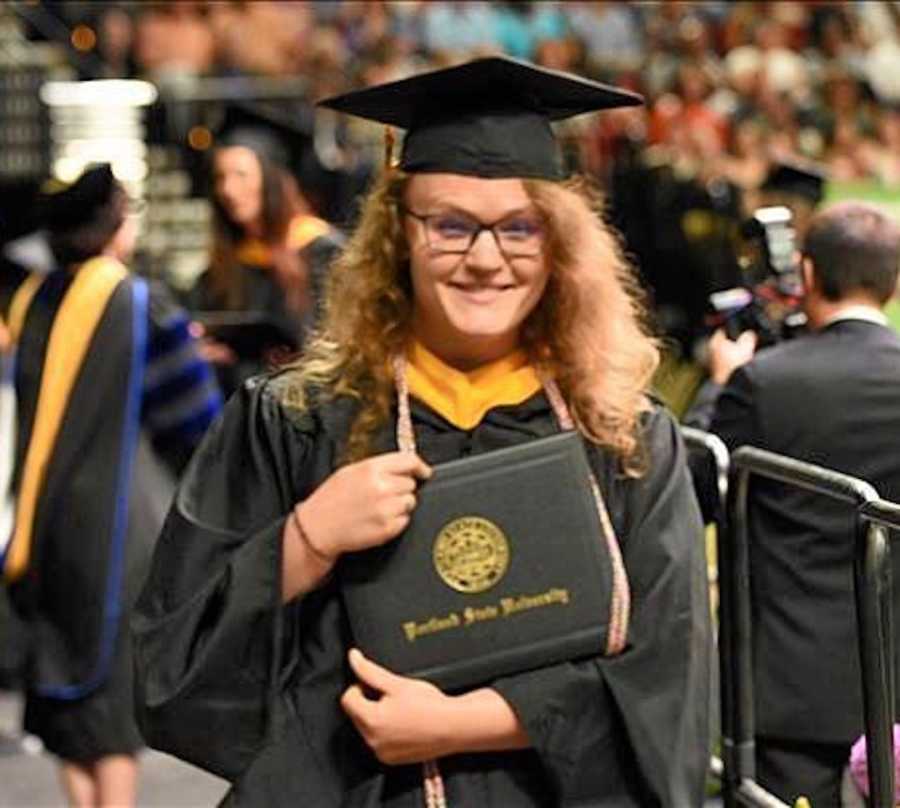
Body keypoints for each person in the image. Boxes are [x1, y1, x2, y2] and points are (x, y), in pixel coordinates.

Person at [133, 57, 712, 807]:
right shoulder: (296, 422)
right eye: (449, 225)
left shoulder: (625, 437)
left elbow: (672, 670)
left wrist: (461, 723)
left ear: (560, 244)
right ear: (396, 236)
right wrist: (305, 540)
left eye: (518, 228)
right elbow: (171, 657)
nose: (484, 258)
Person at [2, 164, 222, 807]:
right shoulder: (135, 301)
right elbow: (191, 418)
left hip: (41, 521)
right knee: (110, 708)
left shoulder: (32, 298)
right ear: (114, 227)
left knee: (63, 698)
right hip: (119, 523)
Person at [697, 201, 900, 806]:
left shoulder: (763, 382)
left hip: (790, 696)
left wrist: (719, 381)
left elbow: (695, 492)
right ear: (893, 284)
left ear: (807, 276)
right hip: (895, 693)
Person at [188, 104, 344, 397]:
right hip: (241, 413)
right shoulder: (224, 266)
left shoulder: (322, 251)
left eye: (241, 175)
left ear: (270, 178)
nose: (228, 189)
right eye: (220, 177)